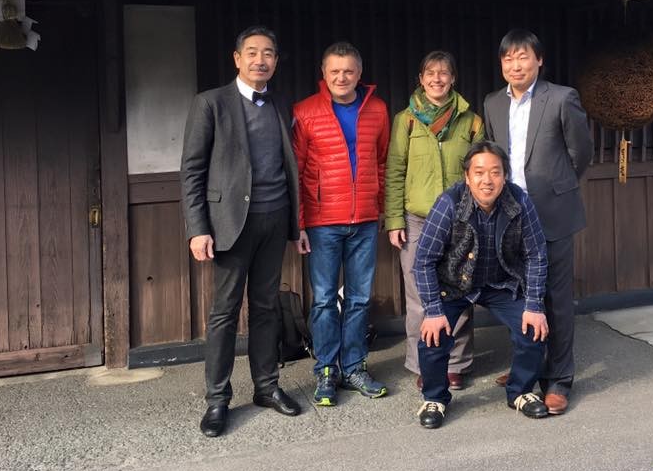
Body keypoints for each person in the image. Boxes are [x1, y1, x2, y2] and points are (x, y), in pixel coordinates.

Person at [181, 26, 302, 438]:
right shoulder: (210, 103)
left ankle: (266, 387)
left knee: (266, 307)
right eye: (252, 52)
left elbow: (288, 166)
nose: (260, 60)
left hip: (274, 218)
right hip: (230, 224)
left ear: (276, 61)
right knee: (225, 312)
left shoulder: (279, 103)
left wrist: (295, 224)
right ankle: (217, 399)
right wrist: (198, 228)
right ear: (237, 58)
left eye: (268, 53)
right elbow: (192, 170)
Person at [483, 29, 592, 416]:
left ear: (539, 60)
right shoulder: (493, 103)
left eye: (523, 57)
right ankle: (527, 369)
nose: (515, 65)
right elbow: (494, 156)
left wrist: (558, 188)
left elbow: (581, 152)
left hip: (553, 213)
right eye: (508, 58)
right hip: (510, 217)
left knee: (555, 300)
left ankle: (559, 379)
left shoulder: (561, 98)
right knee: (518, 298)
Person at [414, 141, 550, 428]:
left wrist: (534, 305)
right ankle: (435, 398)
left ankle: (520, 391)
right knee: (432, 335)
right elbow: (424, 260)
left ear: (505, 176)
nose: (487, 180)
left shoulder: (519, 201)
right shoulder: (449, 203)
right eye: (479, 172)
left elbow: (536, 254)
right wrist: (433, 310)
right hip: (454, 284)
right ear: (467, 176)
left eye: (495, 172)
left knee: (532, 328)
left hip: (501, 283)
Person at [293, 41, 390, 407]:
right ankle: (325, 370)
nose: (341, 77)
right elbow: (297, 171)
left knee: (359, 298)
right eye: (334, 71)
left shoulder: (377, 109)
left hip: (364, 219)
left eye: (348, 71)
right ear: (324, 73)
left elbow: (382, 162)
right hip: (322, 221)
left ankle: (353, 367)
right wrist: (300, 224)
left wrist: (380, 209)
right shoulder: (305, 112)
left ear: (359, 73)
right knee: (322, 300)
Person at [384, 51, 484, 391]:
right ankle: (423, 363)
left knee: (459, 288)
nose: (437, 79)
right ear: (421, 79)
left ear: (453, 78)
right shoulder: (406, 120)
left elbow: (482, 171)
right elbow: (395, 170)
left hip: (460, 217)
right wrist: (394, 219)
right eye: (430, 73)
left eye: (443, 73)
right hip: (417, 218)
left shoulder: (471, 121)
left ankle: (455, 364)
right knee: (418, 294)